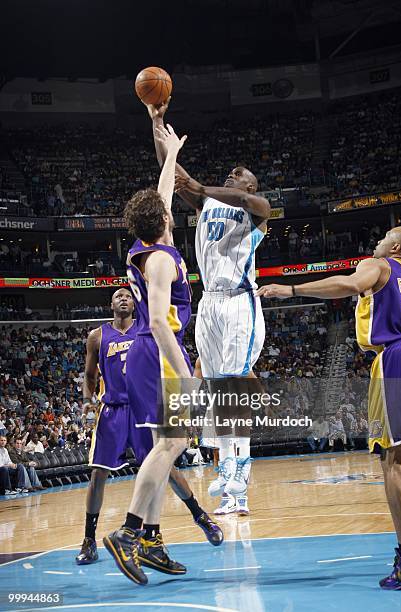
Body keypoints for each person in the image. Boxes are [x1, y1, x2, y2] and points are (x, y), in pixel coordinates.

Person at [257, 226, 401, 590]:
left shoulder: (383, 265)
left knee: (395, 462)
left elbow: (348, 284)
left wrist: (291, 289)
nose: (377, 241)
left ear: (397, 246)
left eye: (384, 236)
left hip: (397, 360)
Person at [104, 124, 222, 586]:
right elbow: (155, 320)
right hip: (156, 352)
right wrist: (185, 371)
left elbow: (161, 195)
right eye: (168, 211)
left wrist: (170, 152)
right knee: (171, 445)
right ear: (165, 222)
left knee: (165, 448)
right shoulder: (158, 260)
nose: (171, 211)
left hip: (156, 353)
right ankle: (130, 532)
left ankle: (150, 539)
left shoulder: (155, 244)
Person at [149, 98, 270, 516]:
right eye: (230, 173)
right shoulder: (208, 204)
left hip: (239, 302)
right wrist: (158, 122)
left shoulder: (258, 209)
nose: (232, 174)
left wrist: (201, 188)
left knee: (233, 386)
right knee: (217, 388)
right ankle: (230, 481)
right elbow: (174, 175)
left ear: (251, 187)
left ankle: (240, 471)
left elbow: (198, 186)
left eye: (240, 174)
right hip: (210, 304)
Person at [76, 289, 221, 565]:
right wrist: (86, 400)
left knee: (165, 466)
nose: (123, 299)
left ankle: (199, 515)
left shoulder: (147, 331)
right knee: (97, 473)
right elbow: (89, 374)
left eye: (128, 296)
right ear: (110, 303)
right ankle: (88, 539)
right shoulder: (97, 336)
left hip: (143, 405)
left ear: (135, 304)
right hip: (113, 409)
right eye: (118, 295)